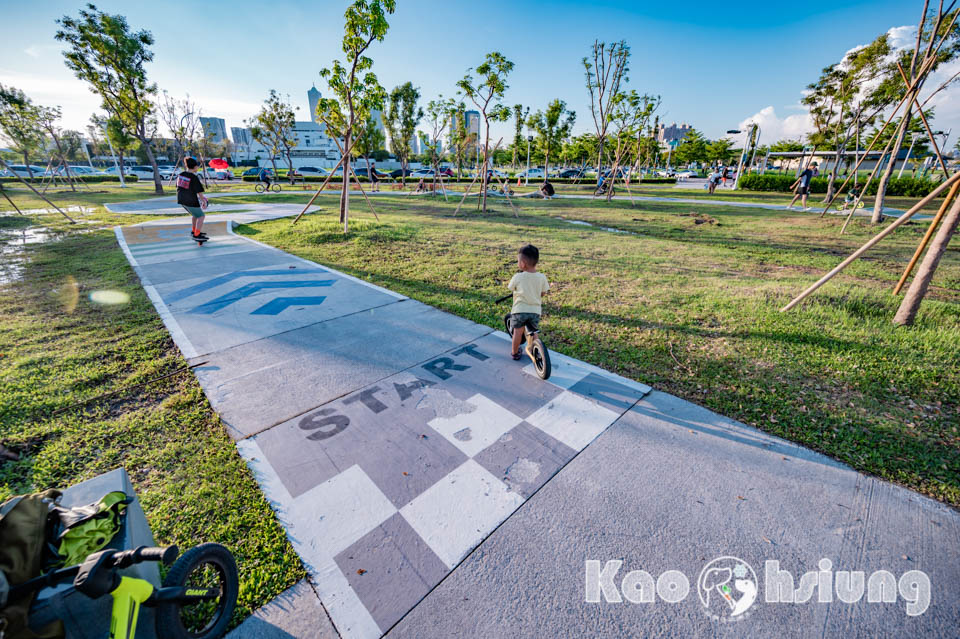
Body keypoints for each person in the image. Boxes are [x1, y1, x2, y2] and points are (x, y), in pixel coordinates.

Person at [507, 244, 550, 361]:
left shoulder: (517, 276)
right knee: (534, 332)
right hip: (535, 312)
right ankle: (535, 349)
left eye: (518, 261)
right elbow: (543, 293)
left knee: (517, 332)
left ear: (522, 263)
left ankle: (515, 353)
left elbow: (511, 288)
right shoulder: (542, 277)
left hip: (519, 311)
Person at [177, 157, 209, 240]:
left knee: (195, 215)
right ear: (195, 167)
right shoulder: (194, 178)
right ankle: (196, 235)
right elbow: (199, 192)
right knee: (201, 216)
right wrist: (203, 201)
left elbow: (180, 187)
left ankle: (194, 231)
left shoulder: (181, 175)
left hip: (181, 200)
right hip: (190, 200)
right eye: (197, 166)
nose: (198, 168)